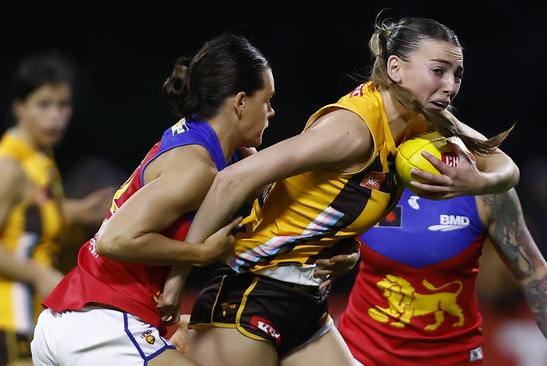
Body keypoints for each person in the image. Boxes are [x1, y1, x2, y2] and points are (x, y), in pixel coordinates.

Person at [158, 15, 521, 366]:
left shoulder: (425, 118)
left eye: (457, 74)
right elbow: (232, 179)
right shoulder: (352, 129)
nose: (450, 85)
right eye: (438, 71)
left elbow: (505, 166)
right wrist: (178, 277)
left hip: (306, 300)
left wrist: (477, 182)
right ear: (395, 68)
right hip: (252, 291)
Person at [30, 33, 274, 366]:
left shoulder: (199, 137)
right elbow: (112, 240)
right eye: (268, 100)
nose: (272, 112)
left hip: (73, 319)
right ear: (241, 103)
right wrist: (199, 254)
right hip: (103, 326)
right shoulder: (196, 168)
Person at [0, 52, 111, 366]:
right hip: (5, 318)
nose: (56, 116)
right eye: (44, 105)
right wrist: (37, 273)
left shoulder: (38, 159)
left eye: (63, 105)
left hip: (29, 316)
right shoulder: (7, 166)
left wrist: (76, 211)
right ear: (19, 108)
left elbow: (25, 216)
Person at [338, 187, 547, 365]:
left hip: (456, 358)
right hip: (361, 356)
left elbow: (536, 277)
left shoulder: (486, 187)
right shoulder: (362, 177)